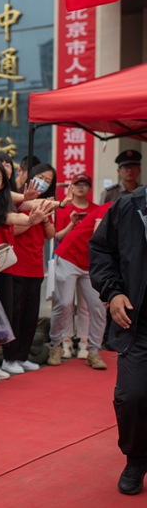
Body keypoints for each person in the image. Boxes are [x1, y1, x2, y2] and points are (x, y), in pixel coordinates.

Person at [0, 160, 53, 380]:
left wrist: (32, 219)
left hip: (1, 269)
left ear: (2, 186)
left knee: (0, 317)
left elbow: (14, 217)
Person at [89, 184, 147, 495]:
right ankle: (136, 458)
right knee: (132, 395)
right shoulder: (127, 207)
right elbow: (100, 250)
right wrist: (113, 292)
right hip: (139, 322)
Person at [1, 163, 56, 375]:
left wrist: (42, 218)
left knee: (30, 316)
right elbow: (12, 232)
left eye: (49, 180)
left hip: (36, 268)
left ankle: (22, 357)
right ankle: (8, 358)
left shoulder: (43, 204)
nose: (44, 182)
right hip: (17, 266)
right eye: (41, 177)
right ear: (29, 176)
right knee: (15, 314)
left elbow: (50, 234)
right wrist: (33, 219)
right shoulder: (17, 202)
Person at [48, 202, 112, 369]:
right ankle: (55, 345)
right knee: (64, 303)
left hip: (91, 264)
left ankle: (93, 351)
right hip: (70, 256)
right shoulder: (110, 207)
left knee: (98, 306)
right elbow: (99, 236)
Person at [53, 172, 99, 359]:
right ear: (71, 187)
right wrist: (72, 224)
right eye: (77, 184)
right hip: (68, 260)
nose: (81, 187)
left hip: (89, 262)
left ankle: (84, 342)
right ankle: (65, 340)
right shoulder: (64, 208)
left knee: (87, 305)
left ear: (90, 188)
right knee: (65, 303)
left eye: (85, 184)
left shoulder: (97, 209)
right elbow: (58, 237)